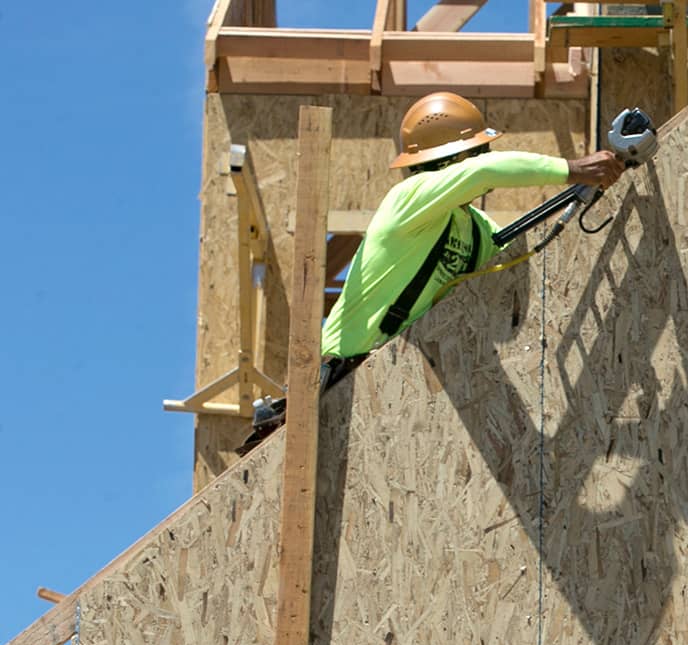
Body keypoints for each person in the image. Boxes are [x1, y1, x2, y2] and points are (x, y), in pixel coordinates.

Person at [235, 92, 628, 455]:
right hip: (341, 377)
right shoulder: (406, 202)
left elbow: (510, 256)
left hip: (396, 388)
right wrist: (575, 169)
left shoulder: (476, 228)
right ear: (451, 160)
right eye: (476, 151)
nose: (483, 156)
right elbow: (485, 173)